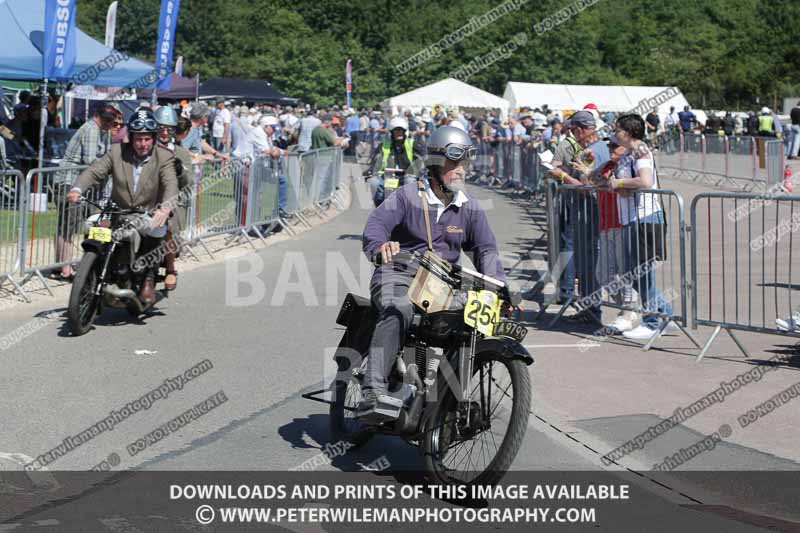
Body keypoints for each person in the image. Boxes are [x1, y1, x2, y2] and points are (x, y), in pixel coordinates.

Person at [358, 126, 507, 421]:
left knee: (473, 323)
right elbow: (376, 226)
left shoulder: (470, 208)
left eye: (465, 163)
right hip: (398, 274)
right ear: (436, 163)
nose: (460, 170)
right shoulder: (407, 196)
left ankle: (445, 400)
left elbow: (486, 251)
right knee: (398, 306)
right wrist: (380, 246)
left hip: (441, 286)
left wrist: (498, 287)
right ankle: (372, 392)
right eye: (454, 163)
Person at [66, 107, 178, 304]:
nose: (142, 144)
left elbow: (171, 184)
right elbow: (94, 171)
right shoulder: (117, 152)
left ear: (153, 138)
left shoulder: (164, 156)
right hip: (118, 210)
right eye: (138, 139)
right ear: (131, 137)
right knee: (92, 225)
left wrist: (165, 208)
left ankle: (148, 278)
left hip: (147, 212)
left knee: (157, 229)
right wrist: (77, 189)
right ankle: (93, 270)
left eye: (147, 139)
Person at [608, 114, 678, 341]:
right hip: (634, 218)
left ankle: (652, 322)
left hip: (645, 219)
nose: (614, 133)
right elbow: (633, 187)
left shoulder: (640, 151)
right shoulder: (629, 154)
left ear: (628, 132)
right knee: (637, 274)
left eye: (618, 130)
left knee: (641, 274)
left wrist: (618, 183)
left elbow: (645, 181)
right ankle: (666, 316)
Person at [54, 105, 118, 279]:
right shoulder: (91, 129)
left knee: (83, 224)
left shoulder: (103, 132)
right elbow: (90, 161)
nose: (109, 124)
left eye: (111, 121)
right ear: (98, 116)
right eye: (106, 120)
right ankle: (64, 269)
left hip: (84, 185)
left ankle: (76, 266)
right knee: (68, 226)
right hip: (70, 182)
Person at [155, 106, 193, 291]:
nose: (164, 132)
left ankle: (170, 268)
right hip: (141, 199)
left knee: (168, 226)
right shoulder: (144, 146)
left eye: (168, 128)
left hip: (167, 201)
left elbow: (189, 183)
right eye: (160, 127)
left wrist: (181, 171)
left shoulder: (180, 152)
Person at [364, 116, 425, 206]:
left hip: (407, 175)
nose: (399, 133)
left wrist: (418, 168)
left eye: (401, 130)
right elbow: (376, 158)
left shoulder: (412, 144)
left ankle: (409, 207)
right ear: (392, 132)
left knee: (409, 182)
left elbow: (421, 157)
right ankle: (380, 207)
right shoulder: (384, 144)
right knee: (374, 182)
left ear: (405, 132)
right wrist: (371, 169)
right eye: (396, 130)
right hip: (386, 175)